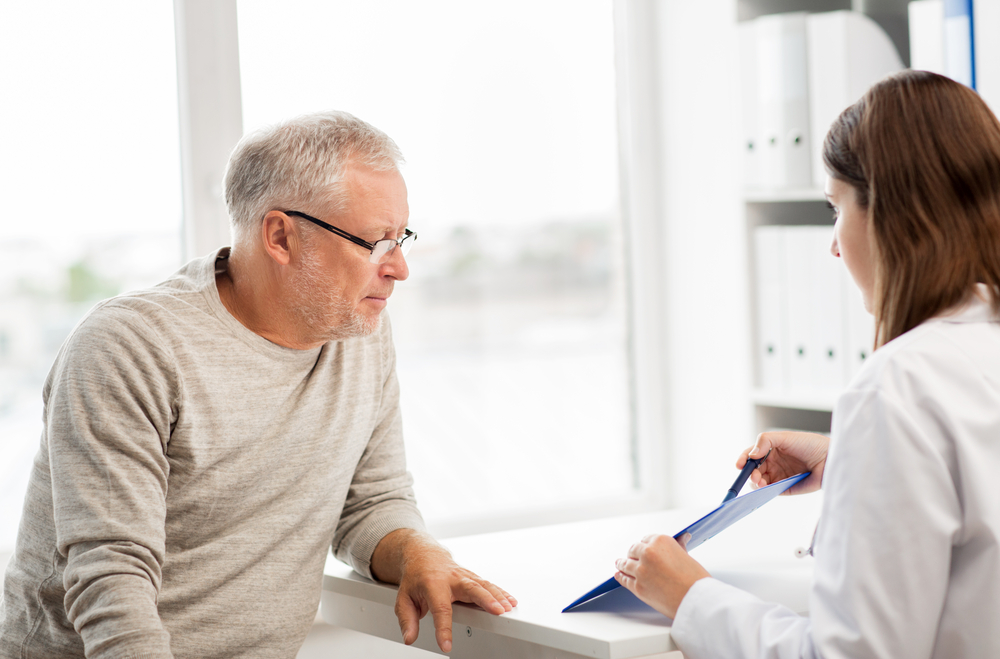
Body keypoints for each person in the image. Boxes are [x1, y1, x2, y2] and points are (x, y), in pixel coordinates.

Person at [0, 111, 515, 659]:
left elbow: (370, 503)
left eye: (400, 237)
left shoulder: (358, 330)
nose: (399, 268)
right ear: (279, 236)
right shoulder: (129, 346)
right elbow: (111, 581)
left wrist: (416, 551)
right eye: (375, 241)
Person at [614, 70, 1000, 657]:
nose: (835, 244)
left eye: (835, 207)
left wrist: (690, 594)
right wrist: (851, 453)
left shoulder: (899, 386)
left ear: (892, 213)